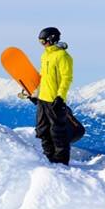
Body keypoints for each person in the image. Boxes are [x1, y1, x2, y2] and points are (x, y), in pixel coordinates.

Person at [34, 27, 73, 165]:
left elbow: (66, 78)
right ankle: (49, 158)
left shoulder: (63, 56)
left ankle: (61, 162)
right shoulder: (45, 56)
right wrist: (36, 94)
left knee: (57, 131)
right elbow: (43, 78)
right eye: (40, 42)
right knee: (42, 130)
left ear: (51, 39)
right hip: (43, 99)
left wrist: (60, 97)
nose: (42, 44)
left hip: (55, 100)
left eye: (43, 41)